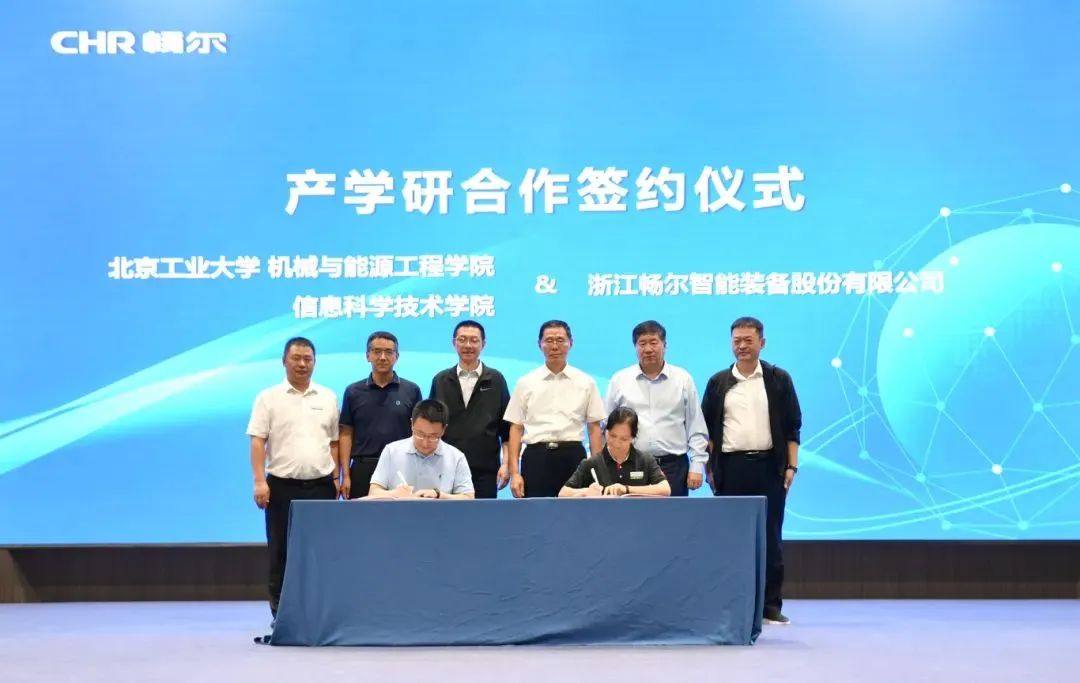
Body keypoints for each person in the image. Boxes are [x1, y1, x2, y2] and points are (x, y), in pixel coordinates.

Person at [701, 316, 802, 625]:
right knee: (730, 539)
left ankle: (770, 606)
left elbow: (792, 427)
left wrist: (791, 466)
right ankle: (732, 603)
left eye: (748, 340)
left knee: (770, 537)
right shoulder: (719, 382)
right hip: (731, 469)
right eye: (737, 341)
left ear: (762, 343)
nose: (742, 346)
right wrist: (709, 468)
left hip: (770, 467)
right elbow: (707, 431)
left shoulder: (778, 379)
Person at [246, 337, 341, 620]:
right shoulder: (268, 398)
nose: (302, 364)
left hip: (321, 486)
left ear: (315, 362)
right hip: (281, 486)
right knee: (281, 552)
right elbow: (257, 441)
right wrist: (259, 481)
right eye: (296, 358)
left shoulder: (327, 397)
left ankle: (318, 613)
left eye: (307, 359)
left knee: (321, 552)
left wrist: (336, 476)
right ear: (284, 361)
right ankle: (281, 616)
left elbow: (334, 442)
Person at [604, 320, 709, 497]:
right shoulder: (620, 380)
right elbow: (605, 426)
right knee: (630, 514)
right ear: (635, 347)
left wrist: (697, 465)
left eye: (653, 343)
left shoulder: (682, 379)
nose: (648, 349)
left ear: (665, 345)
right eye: (642, 344)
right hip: (631, 464)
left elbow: (696, 426)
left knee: (672, 515)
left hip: (673, 466)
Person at [504, 320, 606, 498]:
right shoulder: (526, 382)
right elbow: (516, 428)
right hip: (536, 458)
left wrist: (597, 470)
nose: (554, 346)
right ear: (540, 344)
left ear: (570, 343)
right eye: (549, 340)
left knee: (575, 512)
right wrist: (515, 473)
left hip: (573, 456)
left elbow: (594, 428)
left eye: (560, 340)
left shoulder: (586, 382)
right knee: (536, 512)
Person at [428, 320, 511, 498]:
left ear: (483, 344)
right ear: (454, 343)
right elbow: (430, 426)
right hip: (444, 468)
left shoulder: (496, 380)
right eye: (462, 339)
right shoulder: (440, 380)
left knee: (484, 515)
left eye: (474, 340)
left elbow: (507, 430)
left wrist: (506, 464)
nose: (468, 345)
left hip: (485, 470)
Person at [339, 331, 422, 499]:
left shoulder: (411, 390)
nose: (383, 357)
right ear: (367, 356)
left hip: (401, 467)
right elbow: (346, 433)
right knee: (361, 515)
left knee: (402, 515)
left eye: (389, 352)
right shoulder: (353, 391)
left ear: (397, 356)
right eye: (377, 351)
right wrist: (345, 475)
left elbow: (419, 432)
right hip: (363, 468)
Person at [366, 399, 475, 499]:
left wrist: (439, 495)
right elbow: (373, 492)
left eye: (433, 436)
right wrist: (394, 493)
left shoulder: (456, 457)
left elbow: (468, 497)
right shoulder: (391, 451)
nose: (425, 443)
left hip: (439, 513)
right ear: (411, 424)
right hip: (399, 513)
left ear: (444, 430)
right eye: (420, 434)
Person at [559, 407, 671, 497]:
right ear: (606, 431)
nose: (617, 443)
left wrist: (626, 489)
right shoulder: (592, 463)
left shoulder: (645, 460)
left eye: (624, 439)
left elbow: (665, 489)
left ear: (633, 438)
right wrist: (586, 492)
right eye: (612, 436)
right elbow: (563, 493)